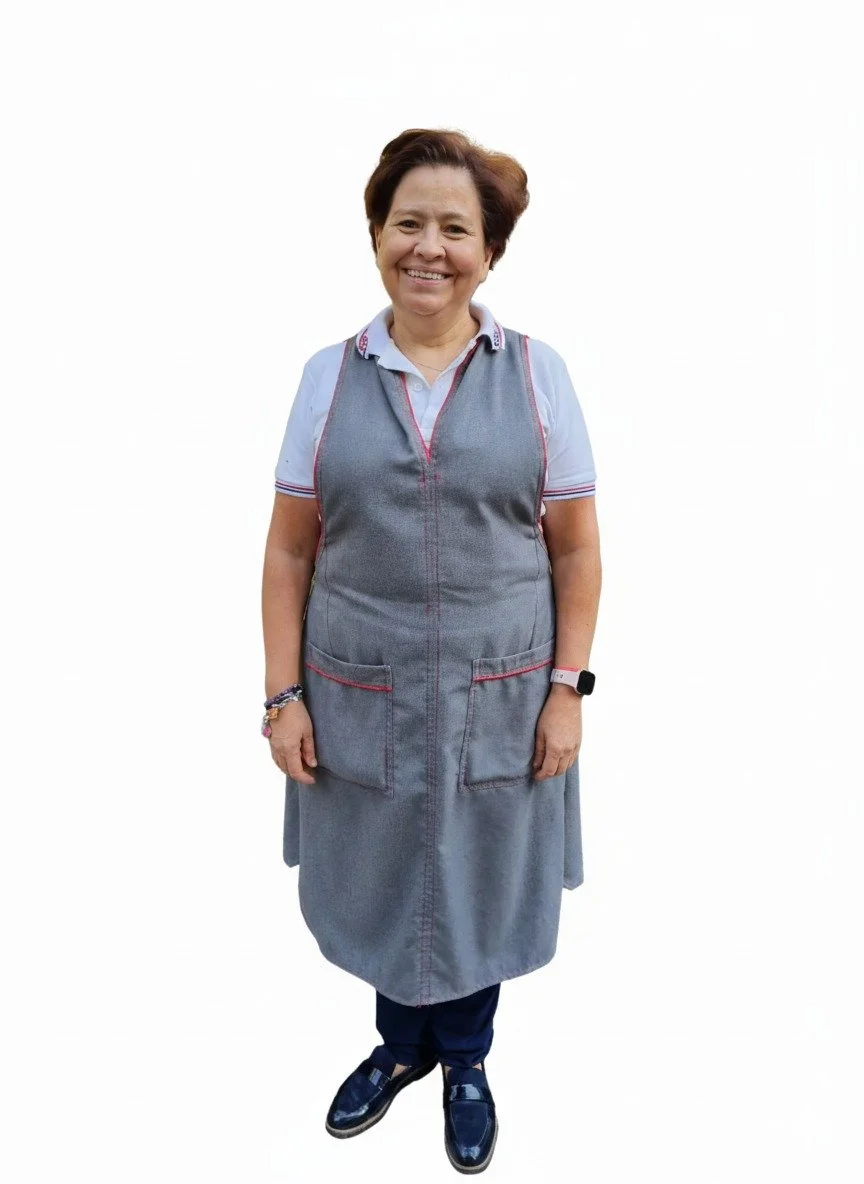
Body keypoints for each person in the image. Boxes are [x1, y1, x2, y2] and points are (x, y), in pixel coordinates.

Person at [261, 127, 602, 1173]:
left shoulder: (539, 378)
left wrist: (566, 689)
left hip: (502, 692)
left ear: (489, 251)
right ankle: (397, 1046)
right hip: (358, 687)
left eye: (456, 227)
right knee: (381, 863)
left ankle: (464, 1055)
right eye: (408, 221)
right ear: (375, 235)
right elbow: (286, 551)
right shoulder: (328, 377)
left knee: (480, 867)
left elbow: (578, 547)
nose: (429, 247)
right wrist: (282, 695)